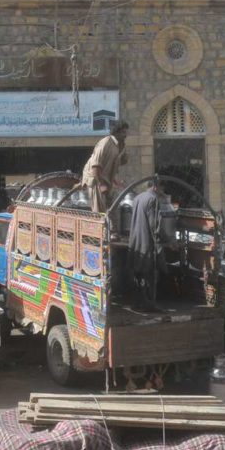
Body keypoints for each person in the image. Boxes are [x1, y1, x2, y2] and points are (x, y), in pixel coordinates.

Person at [126, 179, 168, 311]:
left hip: (135, 241)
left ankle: (137, 303)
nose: (162, 191)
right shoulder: (152, 199)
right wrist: (163, 243)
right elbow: (154, 226)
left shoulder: (138, 198)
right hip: (146, 243)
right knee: (149, 275)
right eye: (162, 188)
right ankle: (150, 304)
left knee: (138, 275)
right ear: (156, 187)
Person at [81, 119, 129, 212]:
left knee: (109, 209)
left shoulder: (119, 146)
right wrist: (101, 185)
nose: (125, 135)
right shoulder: (105, 142)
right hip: (95, 179)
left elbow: (118, 163)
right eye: (123, 132)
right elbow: (95, 165)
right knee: (99, 210)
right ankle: (99, 225)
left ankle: (108, 225)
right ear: (117, 132)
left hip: (107, 180)